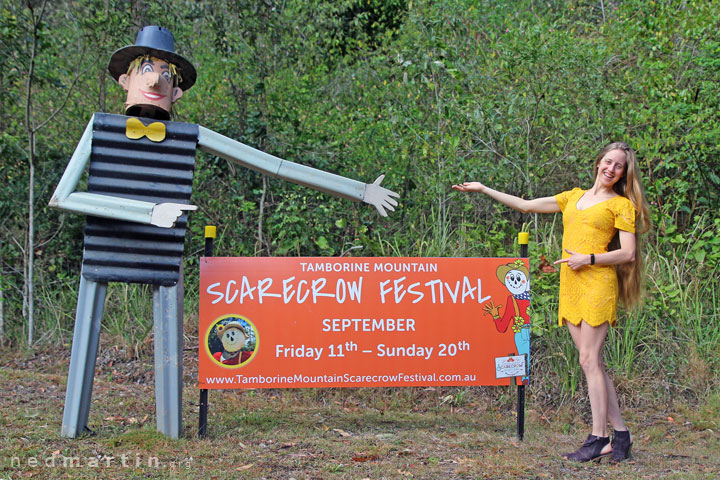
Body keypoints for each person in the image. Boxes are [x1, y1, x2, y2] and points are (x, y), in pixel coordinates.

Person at [50, 26, 399, 439]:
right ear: (126, 79)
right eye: (146, 67)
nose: (155, 79)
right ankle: (73, 428)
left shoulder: (189, 136)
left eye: (166, 73)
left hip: (164, 252)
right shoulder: (100, 129)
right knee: (88, 323)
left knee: (169, 336)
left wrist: (361, 191)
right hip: (106, 246)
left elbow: (273, 165)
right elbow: (63, 197)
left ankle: (168, 432)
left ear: (176, 91)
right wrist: (146, 211)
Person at [453, 142, 650, 462]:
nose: (611, 169)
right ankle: (622, 435)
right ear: (599, 161)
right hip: (570, 285)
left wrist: (588, 258)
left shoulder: (621, 206)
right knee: (593, 364)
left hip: (598, 283)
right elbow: (526, 206)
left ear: (624, 174)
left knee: (589, 361)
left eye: (619, 167)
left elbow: (627, 253)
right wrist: (483, 188)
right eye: (608, 162)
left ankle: (599, 437)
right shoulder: (573, 196)